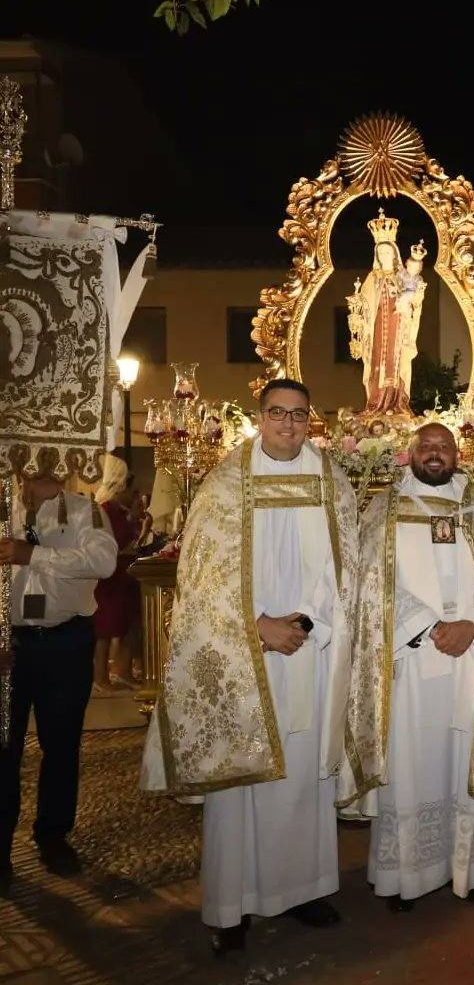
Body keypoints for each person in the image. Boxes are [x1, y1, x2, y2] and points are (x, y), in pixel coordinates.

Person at [139, 379, 360, 953]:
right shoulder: (224, 484)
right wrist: (256, 626)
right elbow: (202, 577)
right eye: (278, 413)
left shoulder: (331, 482)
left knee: (303, 776)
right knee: (241, 786)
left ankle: (306, 891)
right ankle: (230, 907)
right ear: (260, 418)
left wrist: (305, 623)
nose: (289, 424)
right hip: (245, 652)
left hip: (309, 650)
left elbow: (345, 572)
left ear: (312, 421)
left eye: (299, 415)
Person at [339, 423, 474, 910]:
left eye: (442, 447)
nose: (434, 454)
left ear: (456, 454)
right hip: (412, 659)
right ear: (410, 454)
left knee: (468, 758)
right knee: (411, 766)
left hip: (472, 655)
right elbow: (370, 581)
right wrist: (428, 626)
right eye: (425, 446)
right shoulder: (383, 510)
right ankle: (405, 877)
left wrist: (471, 624)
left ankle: (473, 869)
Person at [0, 451, 117, 893]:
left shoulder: (87, 512)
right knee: (3, 750)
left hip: (66, 644)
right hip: (8, 648)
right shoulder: (3, 508)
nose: (35, 466)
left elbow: (103, 563)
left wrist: (35, 555)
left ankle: (52, 836)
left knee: (62, 746)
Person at [347, 208, 427, 416]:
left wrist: (412, 295)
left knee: (395, 360)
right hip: (376, 330)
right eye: (380, 252)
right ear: (376, 255)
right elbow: (362, 304)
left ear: (394, 253)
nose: (384, 255)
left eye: (387, 252)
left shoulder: (403, 276)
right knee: (377, 362)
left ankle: (396, 401)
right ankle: (376, 402)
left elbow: (415, 292)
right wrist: (357, 307)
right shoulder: (371, 278)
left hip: (398, 326)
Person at [92, 453, 142, 693]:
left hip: (123, 574)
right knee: (105, 628)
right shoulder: (104, 509)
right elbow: (106, 543)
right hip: (109, 575)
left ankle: (122, 670)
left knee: (125, 624)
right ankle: (100, 677)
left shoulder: (120, 510)